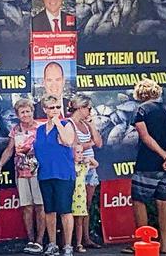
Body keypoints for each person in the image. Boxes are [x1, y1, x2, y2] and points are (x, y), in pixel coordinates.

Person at [121, 79, 166, 255]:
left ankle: (142, 242)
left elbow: (145, 137)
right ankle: (164, 245)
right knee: (162, 202)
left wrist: (163, 155)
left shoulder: (141, 110)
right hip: (165, 166)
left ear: (140, 93)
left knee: (139, 201)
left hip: (147, 162)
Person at [0, 98, 45, 255]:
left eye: (28, 111)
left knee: (40, 206)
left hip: (39, 172)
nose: (26, 114)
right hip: (21, 173)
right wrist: (0, 165)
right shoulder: (15, 130)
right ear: (17, 114)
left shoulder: (40, 128)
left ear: (32, 112)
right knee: (27, 207)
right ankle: (30, 239)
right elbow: (10, 149)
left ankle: (40, 241)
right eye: (22, 112)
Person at [33, 94, 76, 256]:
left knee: (65, 210)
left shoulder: (67, 124)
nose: (55, 110)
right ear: (45, 109)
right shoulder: (40, 129)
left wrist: (57, 122)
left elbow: (68, 141)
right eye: (51, 107)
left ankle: (68, 245)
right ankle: (52, 243)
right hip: (45, 174)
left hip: (63, 173)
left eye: (58, 107)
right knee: (49, 210)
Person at [66, 94, 103, 250]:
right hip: (78, 168)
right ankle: (73, 239)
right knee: (74, 205)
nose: (90, 111)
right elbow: (75, 146)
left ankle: (85, 238)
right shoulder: (69, 124)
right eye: (88, 108)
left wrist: (92, 126)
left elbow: (99, 143)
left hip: (90, 168)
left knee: (86, 205)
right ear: (80, 108)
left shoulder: (86, 124)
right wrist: (90, 143)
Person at [70, 144, 98, 254]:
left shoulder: (83, 167)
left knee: (79, 221)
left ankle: (79, 243)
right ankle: (65, 243)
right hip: (70, 197)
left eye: (81, 152)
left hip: (80, 198)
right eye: (78, 152)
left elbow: (96, 164)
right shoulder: (69, 166)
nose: (80, 155)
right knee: (67, 220)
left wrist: (89, 158)